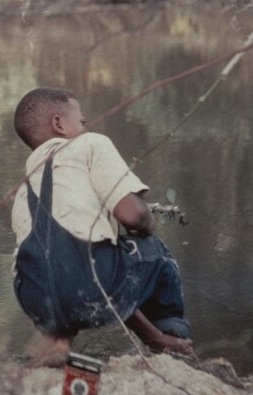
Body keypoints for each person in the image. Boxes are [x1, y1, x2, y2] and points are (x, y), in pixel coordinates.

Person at [11, 87, 193, 366]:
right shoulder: (90, 144)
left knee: (66, 260)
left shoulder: (24, 184)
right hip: (91, 288)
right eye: (82, 122)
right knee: (156, 253)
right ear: (59, 124)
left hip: (34, 300)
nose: (86, 128)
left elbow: (79, 272)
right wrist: (147, 221)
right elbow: (134, 216)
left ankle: (58, 343)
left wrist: (148, 333)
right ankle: (173, 346)